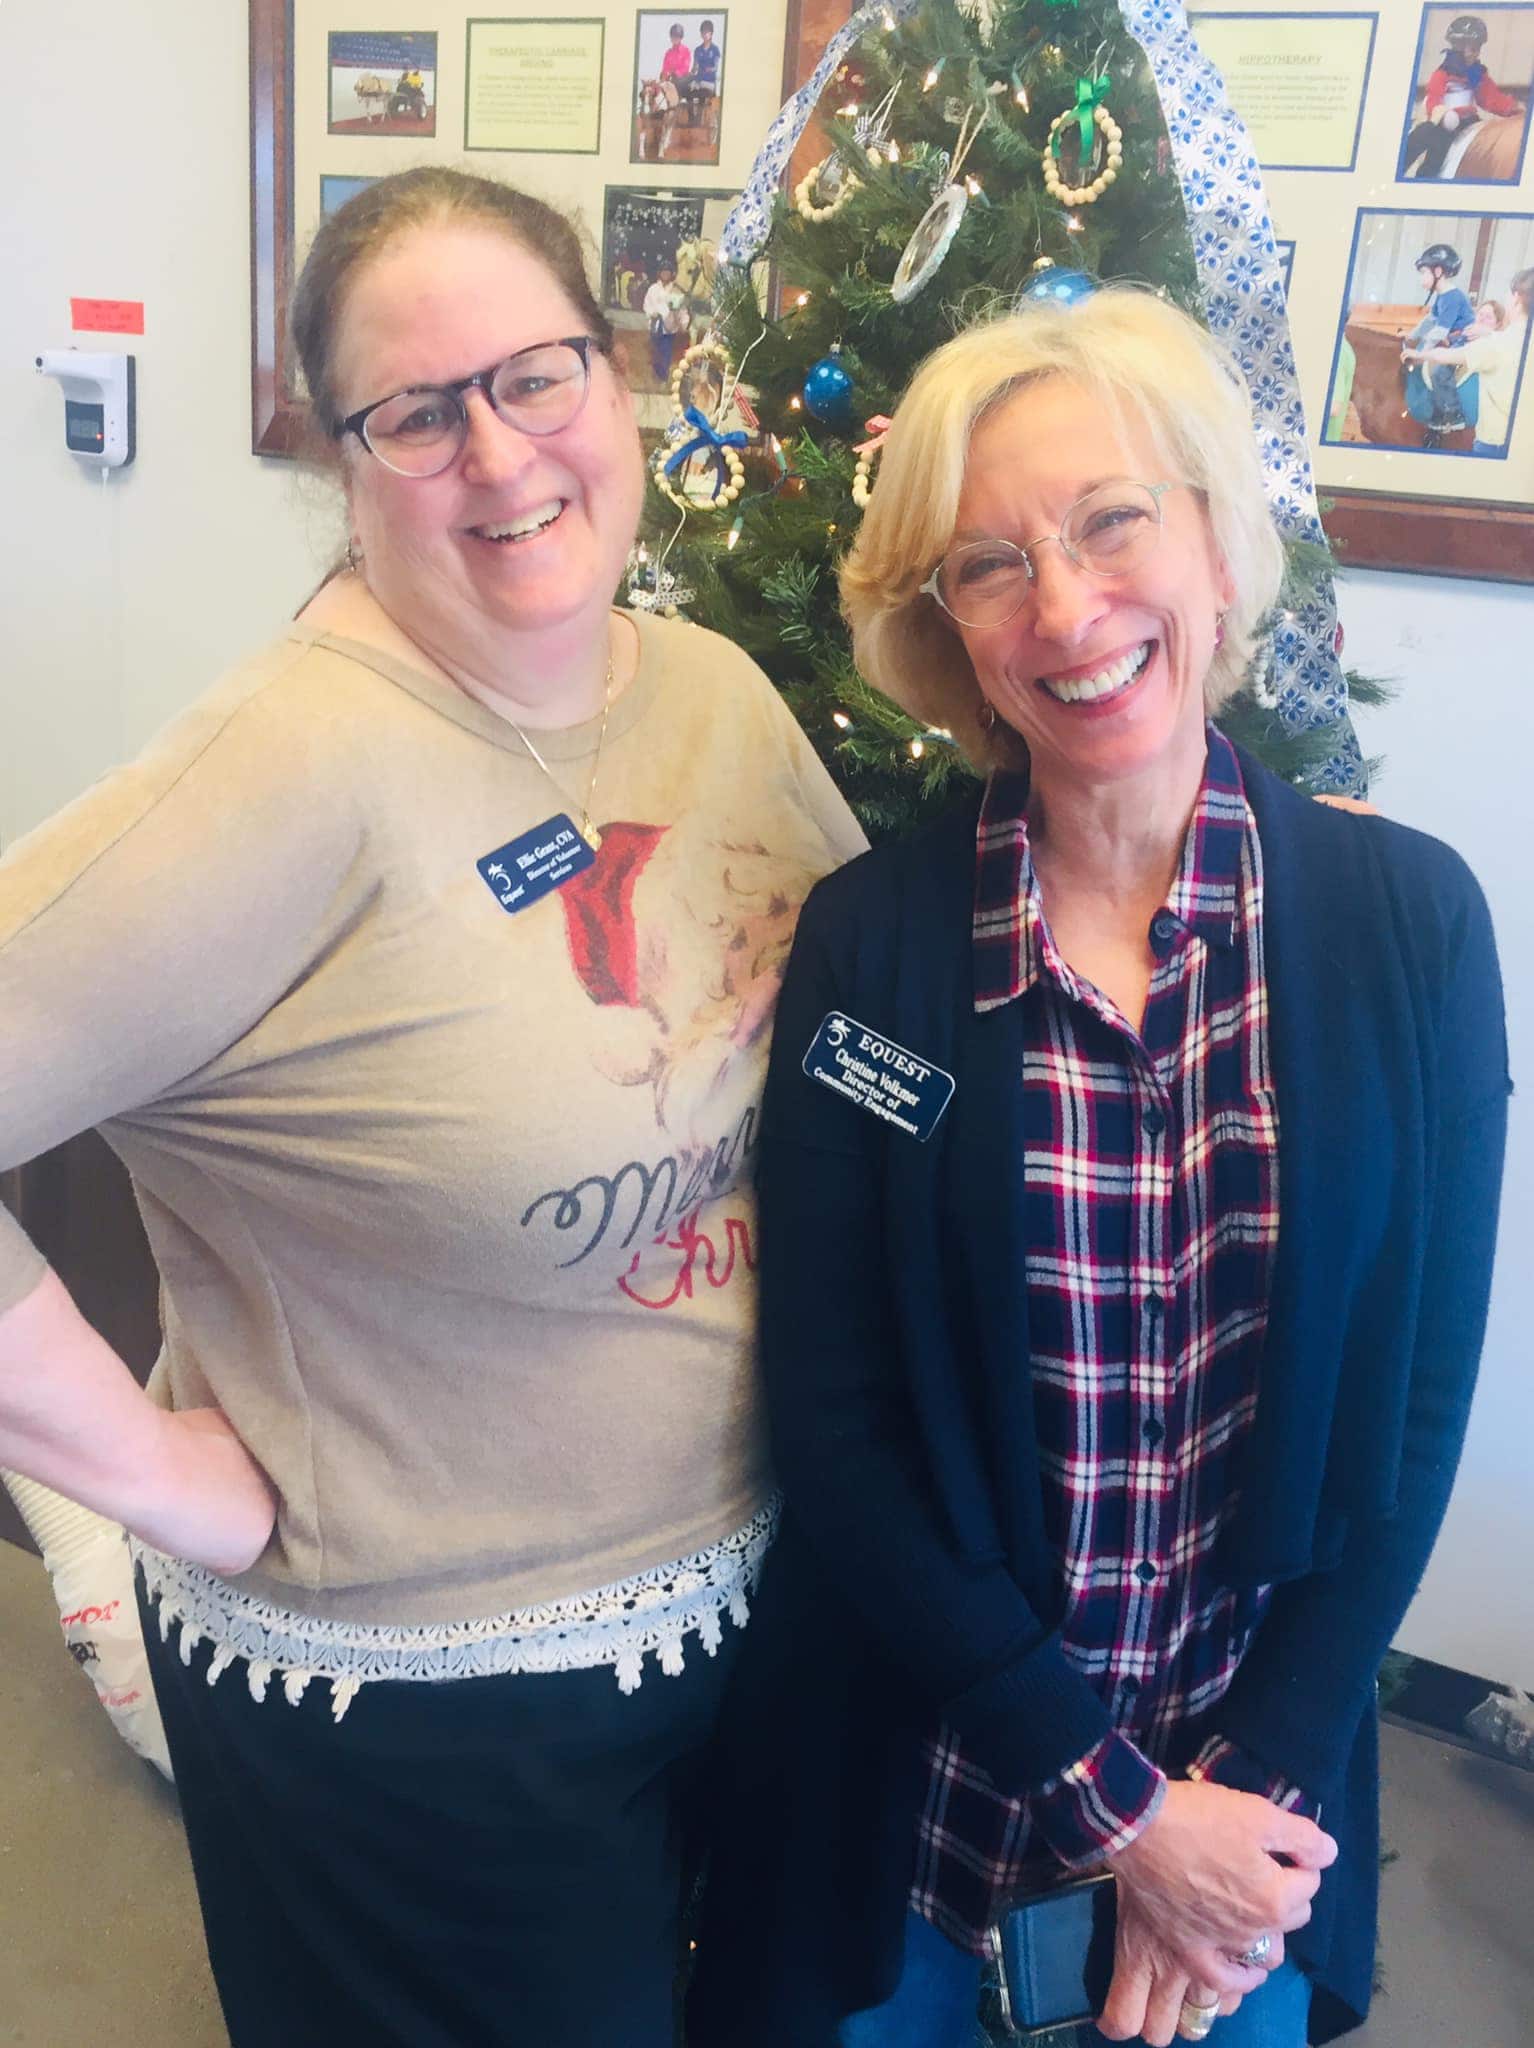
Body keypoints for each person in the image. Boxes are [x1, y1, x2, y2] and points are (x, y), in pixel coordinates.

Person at [0, 165, 863, 2048]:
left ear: (614, 375)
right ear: (341, 456)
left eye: (536, 375)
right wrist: (143, 1474)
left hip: (744, 1606)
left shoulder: (710, 696)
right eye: (417, 412)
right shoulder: (281, 771)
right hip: (422, 1708)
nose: (499, 453)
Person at [688, 288, 1508, 2048]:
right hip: (921, 1809)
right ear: (947, 630)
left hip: (1246, 1826)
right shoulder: (877, 948)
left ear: (1213, 542)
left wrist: (1223, 1827)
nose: (1062, 607)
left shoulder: (1404, 929)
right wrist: (1112, 1805)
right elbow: (832, 1417)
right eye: (987, 564)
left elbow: (1411, 1414)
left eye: (1110, 520)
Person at [1407, 265, 1533, 456]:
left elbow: (1447, 356)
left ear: (1516, 298)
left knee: (1441, 373)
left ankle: (1450, 414)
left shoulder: (1496, 343)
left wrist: (1420, 354)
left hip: (1495, 443)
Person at [1402, 13, 1521, 179]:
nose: (1470, 53)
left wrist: (1511, 108)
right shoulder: (1443, 73)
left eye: (1475, 48)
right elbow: (1434, 96)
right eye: (1464, 46)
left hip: (1468, 120)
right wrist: (1440, 114)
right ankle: (1424, 177)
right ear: (1454, 46)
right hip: (1445, 120)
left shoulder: (1477, 74)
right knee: (1437, 147)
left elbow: (1490, 98)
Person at [1403, 242, 1475, 434]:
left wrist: (1422, 353)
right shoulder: (1442, 295)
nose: (1421, 278)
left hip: (1465, 340)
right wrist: (1411, 336)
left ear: (1438, 272)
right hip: (1454, 340)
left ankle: (1454, 413)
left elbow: (1439, 332)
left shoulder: (1452, 297)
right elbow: (1430, 321)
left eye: (1424, 272)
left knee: (1440, 371)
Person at [644, 258, 689, 383]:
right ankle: (655, 376)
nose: (665, 274)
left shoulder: (676, 291)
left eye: (668, 272)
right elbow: (647, 304)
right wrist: (652, 314)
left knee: (666, 355)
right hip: (655, 326)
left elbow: (682, 310)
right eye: (663, 272)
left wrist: (683, 323)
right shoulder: (653, 289)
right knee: (655, 353)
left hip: (669, 329)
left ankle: (663, 378)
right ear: (659, 273)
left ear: (672, 274)